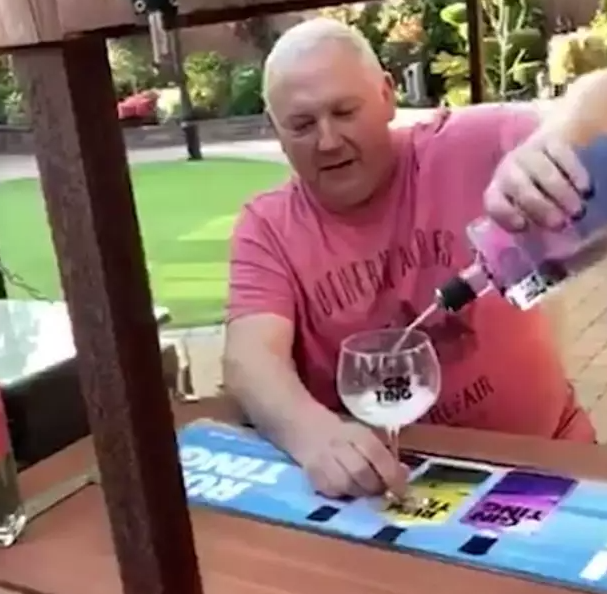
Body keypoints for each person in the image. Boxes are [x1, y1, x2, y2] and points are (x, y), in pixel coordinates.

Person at [224, 17, 602, 500]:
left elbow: (598, 97)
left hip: (545, 464)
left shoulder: (466, 145)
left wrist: (566, 133)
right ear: (275, 129)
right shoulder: (268, 226)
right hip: (390, 491)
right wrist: (312, 435)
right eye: (302, 125)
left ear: (386, 95)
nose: (328, 141)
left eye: (345, 111)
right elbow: (249, 358)